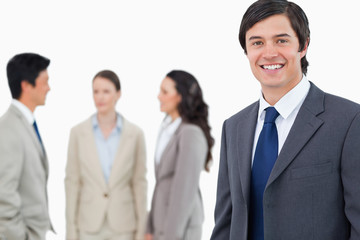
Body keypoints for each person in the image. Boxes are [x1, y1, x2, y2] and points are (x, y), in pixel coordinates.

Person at [210, 0, 360, 239]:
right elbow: (225, 224)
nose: (269, 53)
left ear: (303, 46)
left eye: (281, 40)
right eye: (257, 42)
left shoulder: (349, 120)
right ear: (246, 52)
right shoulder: (234, 127)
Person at [65, 70, 147, 240]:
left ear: (118, 94)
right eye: (96, 91)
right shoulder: (78, 133)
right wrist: (71, 232)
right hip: (88, 225)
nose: (100, 97)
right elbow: (72, 183)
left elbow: (139, 183)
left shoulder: (135, 134)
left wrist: (141, 230)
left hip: (124, 225)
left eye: (106, 91)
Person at [145, 70, 214, 240]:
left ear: (180, 96)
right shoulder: (167, 127)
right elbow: (161, 183)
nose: (159, 96)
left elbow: (184, 191)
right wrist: (149, 227)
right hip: (161, 223)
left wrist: (171, 236)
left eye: (165, 92)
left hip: (180, 229)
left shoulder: (191, 133)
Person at [0, 53, 53, 240]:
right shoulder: (8, 129)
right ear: (26, 85)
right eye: (44, 81)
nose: (49, 88)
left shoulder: (26, 123)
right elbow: (4, 195)